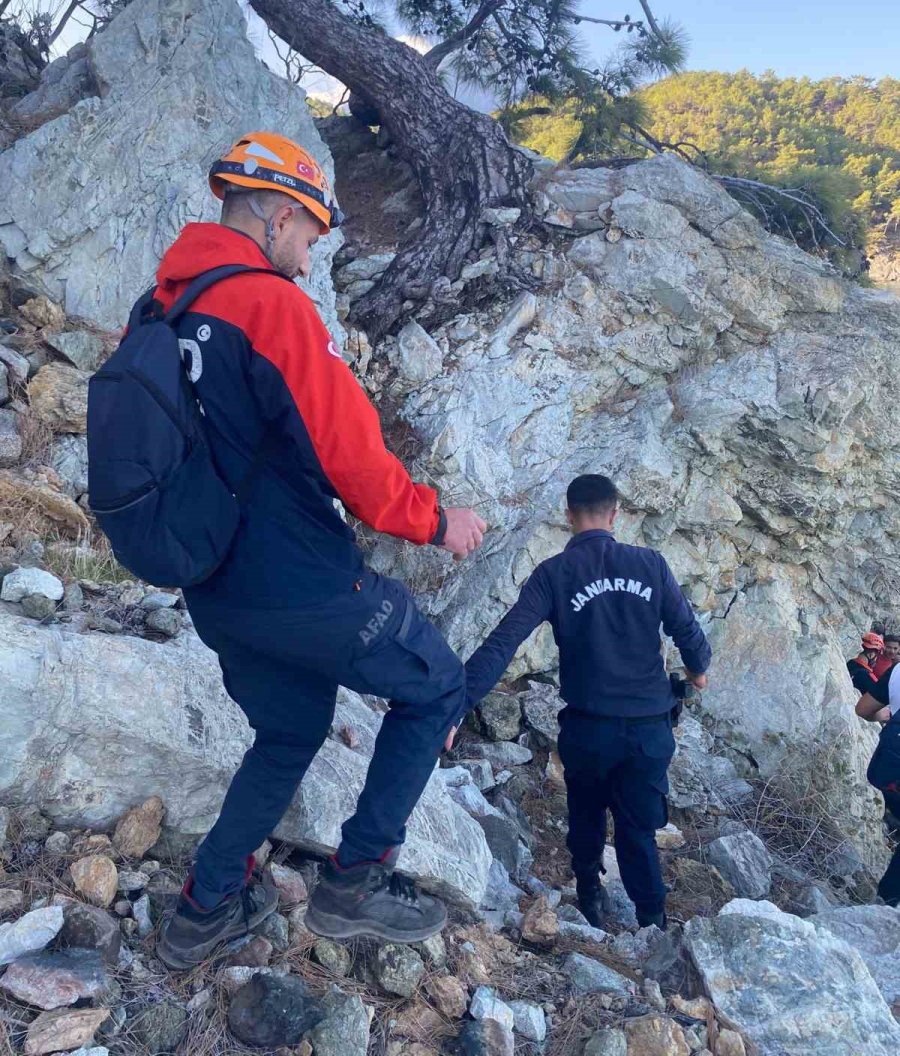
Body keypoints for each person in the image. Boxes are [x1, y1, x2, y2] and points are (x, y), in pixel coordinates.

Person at [156, 132, 486, 969]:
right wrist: (434, 519)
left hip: (212, 583)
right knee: (437, 684)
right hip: (296, 578)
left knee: (291, 728)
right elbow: (353, 456)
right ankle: (355, 882)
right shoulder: (269, 306)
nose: (310, 253)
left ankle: (204, 905)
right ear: (272, 215)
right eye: (309, 231)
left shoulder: (163, 308)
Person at [453, 474, 711, 931]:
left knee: (586, 813)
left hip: (589, 729)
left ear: (568, 516)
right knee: (638, 829)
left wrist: (456, 705)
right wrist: (697, 670)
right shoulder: (650, 565)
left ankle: (590, 896)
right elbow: (687, 631)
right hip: (649, 729)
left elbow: (504, 642)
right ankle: (653, 923)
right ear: (615, 515)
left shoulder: (554, 575)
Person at [855, 660, 900, 906]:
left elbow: (862, 709)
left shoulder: (897, 671)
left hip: (891, 770)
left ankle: (885, 903)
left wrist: (885, 714)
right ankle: (888, 903)